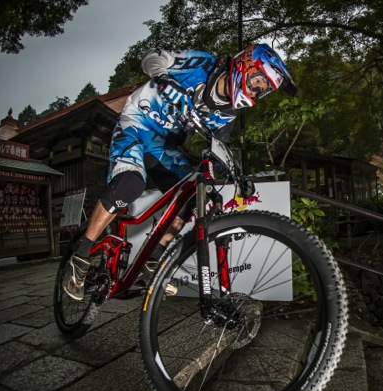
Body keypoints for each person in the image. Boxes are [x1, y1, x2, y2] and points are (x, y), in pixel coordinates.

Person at [62, 43, 297, 300]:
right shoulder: (203, 64)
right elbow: (152, 56)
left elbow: (218, 148)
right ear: (245, 65)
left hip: (162, 144)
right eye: (258, 81)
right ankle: (80, 258)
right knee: (130, 184)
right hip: (137, 122)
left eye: (262, 90)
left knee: (191, 195)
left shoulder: (228, 113)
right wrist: (164, 79)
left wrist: (234, 173)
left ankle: (154, 260)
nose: (256, 90)